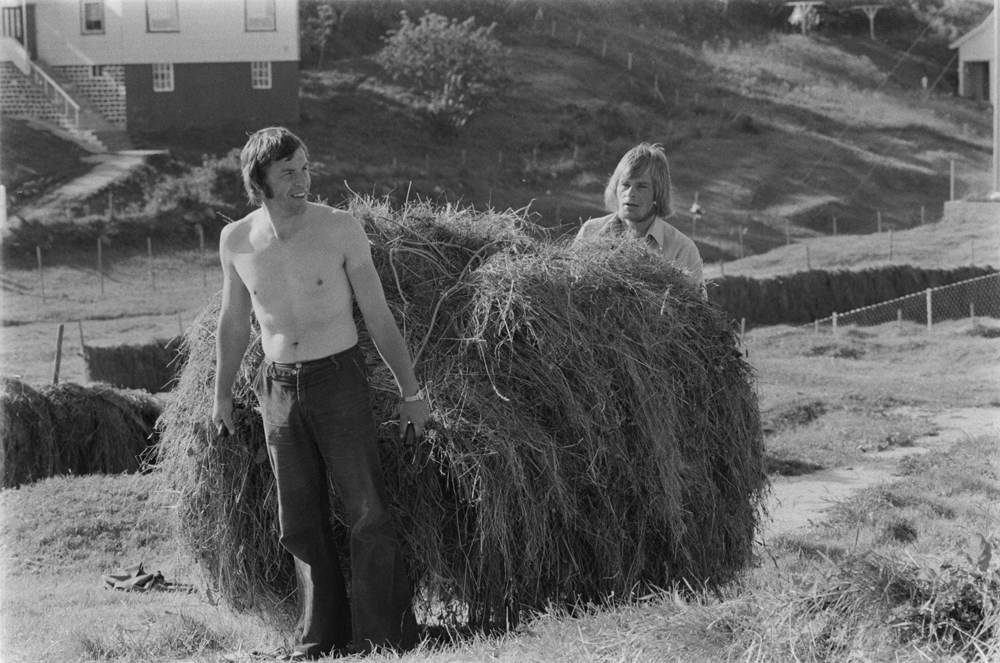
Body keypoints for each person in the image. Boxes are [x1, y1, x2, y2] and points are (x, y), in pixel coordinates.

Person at [212, 127, 428, 659]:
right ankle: (321, 640)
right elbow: (234, 323)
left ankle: (385, 637)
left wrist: (411, 391)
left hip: (339, 378)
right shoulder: (237, 239)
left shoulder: (340, 229)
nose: (303, 180)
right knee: (300, 520)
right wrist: (220, 395)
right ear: (258, 180)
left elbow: (377, 315)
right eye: (288, 172)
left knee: (366, 511)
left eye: (306, 168)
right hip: (277, 387)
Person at [573, 143, 706, 298]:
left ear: (658, 193)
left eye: (642, 186)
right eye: (625, 184)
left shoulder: (681, 249)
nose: (630, 193)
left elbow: (699, 313)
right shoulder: (591, 231)